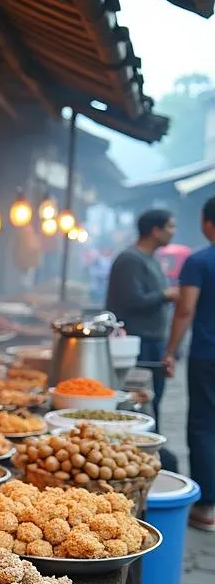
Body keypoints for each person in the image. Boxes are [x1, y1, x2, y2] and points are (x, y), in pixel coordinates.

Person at [164, 196, 215, 531]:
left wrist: (170, 350)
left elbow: (185, 310)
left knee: (202, 426)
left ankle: (206, 507)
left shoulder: (199, 261)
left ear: (206, 222)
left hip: (207, 355)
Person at [106, 209, 180, 430]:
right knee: (139, 401)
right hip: (137, 342)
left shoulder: (151, 260)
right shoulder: (130, 259)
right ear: (155, 231)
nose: (172, 232)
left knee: (153, 399)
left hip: (153, 340)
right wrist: (165, 295)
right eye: (170, 227)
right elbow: (131, 300)